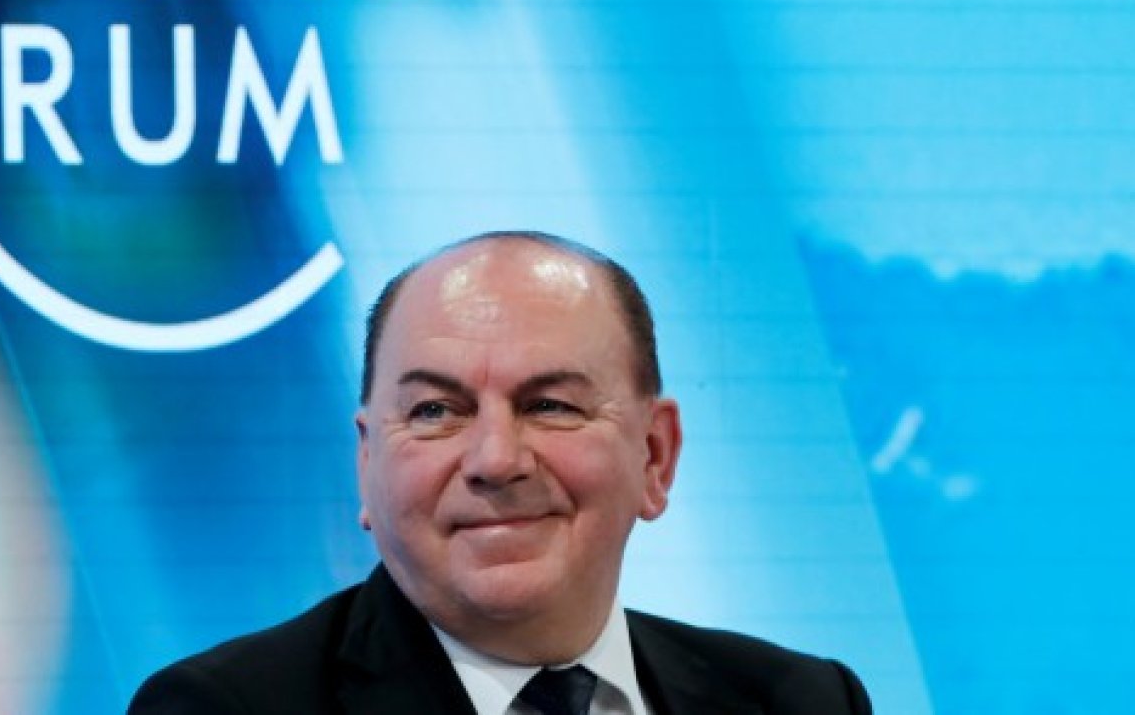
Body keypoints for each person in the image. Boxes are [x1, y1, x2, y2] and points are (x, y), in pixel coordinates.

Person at [130, 231, 872, 714]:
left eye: (549, 406)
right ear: (367, 462)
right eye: (434, 411)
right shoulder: (223, 708)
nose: (494, 460)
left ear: (655, 455)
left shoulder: (803, 702)